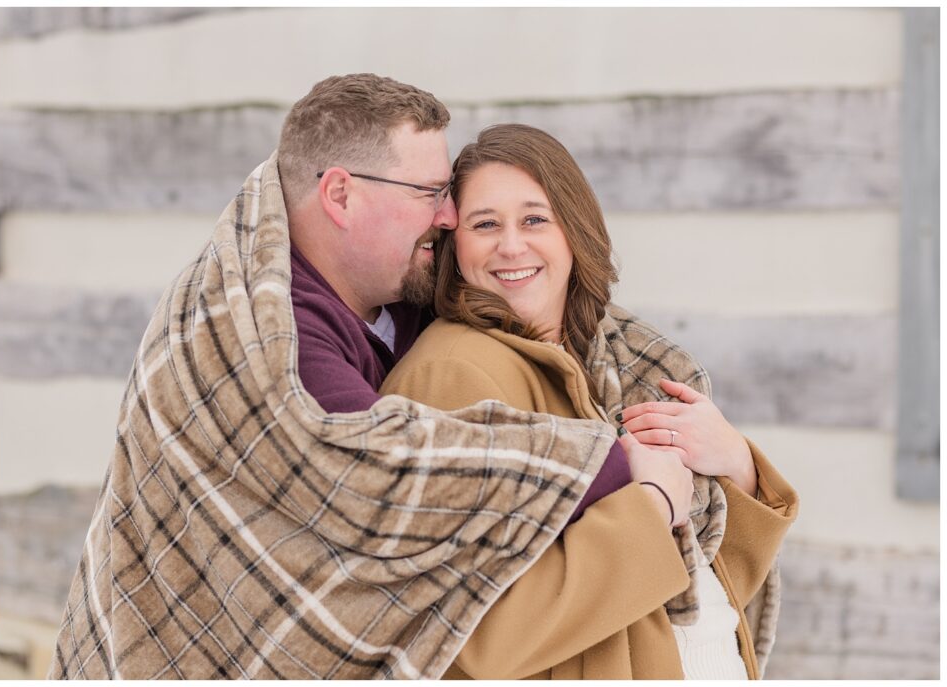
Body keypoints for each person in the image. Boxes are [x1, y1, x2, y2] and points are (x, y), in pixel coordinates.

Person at [50, 75, 672, 680]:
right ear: (340, 195)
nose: (450, 215)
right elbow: (380, 472)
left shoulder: (401, 284)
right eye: (429, 191)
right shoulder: (268, 333)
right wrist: (620, 468)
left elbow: (560, 318)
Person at [380, 123, 799, 679]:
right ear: (455, 249)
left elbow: (694, 589)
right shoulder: (454, 373)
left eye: (534, 219)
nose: (511, 244)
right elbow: (472, 638)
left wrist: (737, 465)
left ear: (574, 231)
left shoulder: (615, 362)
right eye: (485, 225)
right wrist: (650, 506)